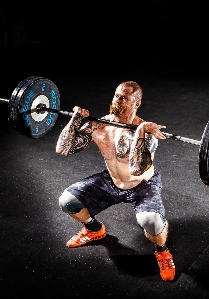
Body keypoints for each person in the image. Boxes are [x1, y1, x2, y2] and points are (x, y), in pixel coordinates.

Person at [55, 81, 175, 281]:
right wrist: (75, 120)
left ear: (136, 103)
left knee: (151, 222)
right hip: (111, 181)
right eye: (116, 95)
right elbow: (63, 149)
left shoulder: (147, 131)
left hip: (142, 185)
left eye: (124, 97)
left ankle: (161, 250)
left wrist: (140, 131)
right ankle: (95, 230)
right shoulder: (100, 126)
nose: (117, 100)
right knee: (67, 202)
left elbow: (136, 169)